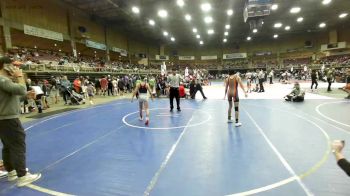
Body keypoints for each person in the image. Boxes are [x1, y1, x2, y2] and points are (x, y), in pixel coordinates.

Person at [0, 57, 41, 187]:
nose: (16, 68)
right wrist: (20, 77)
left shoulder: (4, 81)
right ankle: (22, 176)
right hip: (8, 119)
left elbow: (10, 98)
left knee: (8, 146)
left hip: (4, 119)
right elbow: (20, 89)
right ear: (5, 66)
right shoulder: (3, 80)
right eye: (13, 66)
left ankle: (11, 171)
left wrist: (26, 96)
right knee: (18, 144)